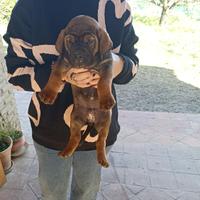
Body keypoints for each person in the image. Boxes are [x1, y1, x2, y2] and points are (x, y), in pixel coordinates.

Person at [3, 0, 139, 199]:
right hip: (49, 129)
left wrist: (114, 63)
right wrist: (62, 76)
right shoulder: (29, 7)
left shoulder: (114, 6)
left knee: (86, 192)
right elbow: (15, 73)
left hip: (98, 128)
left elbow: (132, 64)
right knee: (52, 193)